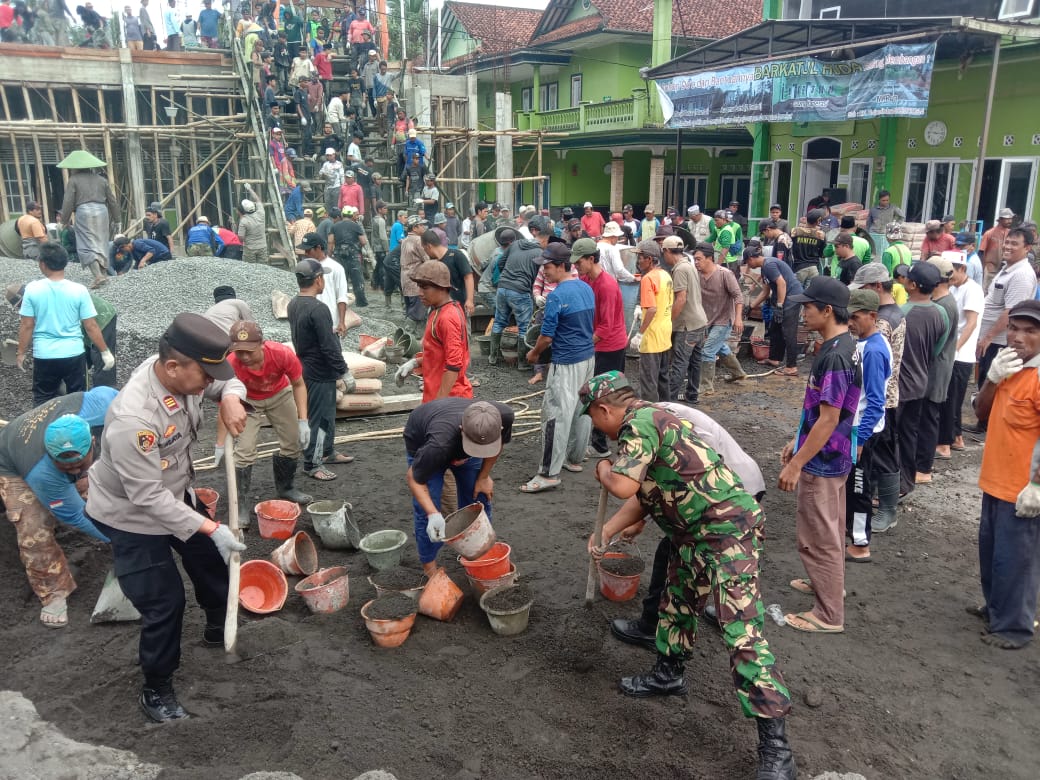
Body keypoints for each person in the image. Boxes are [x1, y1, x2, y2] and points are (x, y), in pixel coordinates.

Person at [580, 371, 795, 778]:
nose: (594, 425)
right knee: (676, 603)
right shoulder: (651, 421)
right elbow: (646, 495)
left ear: (604, 408)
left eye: (592, 416)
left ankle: (777, 747)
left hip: (727, 533)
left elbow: (623, 486)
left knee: (741, 631)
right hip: (692, 533)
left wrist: (604, 470)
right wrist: (606, 532)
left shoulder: (639, 422)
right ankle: (668, 675)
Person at [87, 314, 247, 722]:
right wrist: (211, 526)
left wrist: (231, 395)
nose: (209, 383)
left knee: (211, 562)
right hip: (131, 515)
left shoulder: (184, 373)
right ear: (173, 367)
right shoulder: (133, 421)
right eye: (205, 376)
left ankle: (217, 630)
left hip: (174, 494)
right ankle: (156, 689)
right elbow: (146, 496)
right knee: (165, 602)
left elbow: (226, 379)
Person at [776, 276, 861, 636]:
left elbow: (828, 418)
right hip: (832, 451)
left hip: (824, 458)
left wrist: (798, 462)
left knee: (818, 534)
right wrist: (797, 440)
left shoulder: (837, 355)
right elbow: (820, 411)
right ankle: (827, 583)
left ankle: (828, 614)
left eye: (809, 306)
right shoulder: (839, 344)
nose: (803, 311)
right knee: (830, 528)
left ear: (828, 310)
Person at [0, 388, 117, 627]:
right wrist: (118, 539)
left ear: (92, 442)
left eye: (79, 464)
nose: (74, 470)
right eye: (66, 467)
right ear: (52, 458)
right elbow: (75, 515)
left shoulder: (107, 404)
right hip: (11, 463)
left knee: (98, 485)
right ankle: (53, 593)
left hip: (45, 448)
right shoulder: (42, 471)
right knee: (34, 527)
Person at [968, 300, 1040, 649]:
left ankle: (1014, 627)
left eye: (1030, 331)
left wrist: (1037, 485)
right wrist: (992, 379)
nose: (1018, 337)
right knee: (993, 552)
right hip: (994, 480)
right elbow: (980, 412)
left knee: (1017, 559)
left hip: (1022, 488)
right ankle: (996, 607)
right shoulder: (1006, 366)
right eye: (1014, 328)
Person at [217, 319, 312, 523]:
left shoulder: (282, 354)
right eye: (239, 351)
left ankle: (286, 487)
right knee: (244, 450)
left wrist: (303, 420)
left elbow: (299, 384)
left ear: (262, 344)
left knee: (292, 441)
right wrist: (219, 444)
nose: (244, 356)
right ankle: (241, 505)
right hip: (247, 400)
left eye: (249, 351)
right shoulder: (231, 365)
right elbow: (225, 406)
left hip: (279, 394)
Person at [405, 400, 512, 576]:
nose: (476, 453)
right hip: (424, 440)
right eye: (474, 448)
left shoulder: (504, 416)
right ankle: (430, 570)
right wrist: (433, 514)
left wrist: (484, 477)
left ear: (499, 430)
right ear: (462, 429)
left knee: (479, 497)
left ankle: (478, 556)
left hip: (456, 437)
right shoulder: (438, 444)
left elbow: (498, 445)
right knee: (427, 509)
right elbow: (414, 478)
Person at [521, 244, 595, 493]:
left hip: (566, 362)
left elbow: (546, 337)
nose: (544, 272)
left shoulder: (556, 296)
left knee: (555, 415)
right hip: (587, 358)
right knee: (581, 409)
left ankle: (548, 473)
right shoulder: (585, 287)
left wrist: (533, 353)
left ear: (562, 266)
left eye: (548, 267)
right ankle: (573, 459)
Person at [16, 242, 114, 406]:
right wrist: (105, 351)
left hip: (44, 354)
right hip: (73, 353)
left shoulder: (32, 289)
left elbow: (27, 325)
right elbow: (91, 326)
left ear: (43, 264)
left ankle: (41, 430)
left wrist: (21, 352)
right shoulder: (79, 290)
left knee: (43, 399)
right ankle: (76, 430)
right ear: (65, 263)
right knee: (78, 400)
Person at [287, 258, 354, 481]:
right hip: (319, 371)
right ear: (317, 279)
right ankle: (312, 463)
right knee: (318, 418)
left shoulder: (294, 303)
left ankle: (327, 452)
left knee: (326, 415)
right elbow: (329, 345)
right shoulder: (319, 308)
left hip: (306, 367)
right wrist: (343, 371)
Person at [844, 290, 892, 563]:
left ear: (872, 316)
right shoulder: (869, 342)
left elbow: (876, 401)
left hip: (864, 431)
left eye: (855, 317)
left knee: (861, 489)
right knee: (853, 487)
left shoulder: (873, 350)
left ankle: (861, 544)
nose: (850, 322)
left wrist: (860, 439)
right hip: (859, 428)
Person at [895, 262, 949, 496]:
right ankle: (907, 482)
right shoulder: (941, 313)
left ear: (913, 285)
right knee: (909, 435)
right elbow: (937, 350)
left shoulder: (901, 314)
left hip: (898, 387)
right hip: (921, 382)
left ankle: (889, 486)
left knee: (890, 437)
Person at [572, 238, 628, 457]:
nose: (576, 266)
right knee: (597, 393)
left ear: (591, 259)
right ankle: (598, 439)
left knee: (603, 395)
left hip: (610, 346)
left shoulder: (606, 285)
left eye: (579, 262)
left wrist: (584, 347)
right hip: (598, 343)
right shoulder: (587, 280)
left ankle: (600, 445)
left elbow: (606, 326)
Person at [975, 228, 1038, 399]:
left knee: (993, 384)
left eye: (1014, 244)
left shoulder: (1021, 275)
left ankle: (987, 423)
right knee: (984, 381)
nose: (1008, 247)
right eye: (1007, 242)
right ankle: (984, 423)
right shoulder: (1007, 269)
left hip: (999, 343)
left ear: (1027, 248)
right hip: (991, 341)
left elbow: (1011, 311)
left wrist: (988, 338)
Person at [397, 260, 471, 403]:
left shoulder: (448, 317)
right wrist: (415, 363)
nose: (420, 293)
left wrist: (438, 405)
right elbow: (438, 355)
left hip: (450, 399)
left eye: (425, 288)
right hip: (437, 394)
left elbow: (454, 365)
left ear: (442, 288)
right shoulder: (438, 310)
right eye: (419, 287)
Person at [692, 240, 746, 395]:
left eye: (699, 259)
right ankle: (738, 373)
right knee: (720, 346)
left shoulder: (725, 274)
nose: (696, 262)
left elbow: (738, 296)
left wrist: (738, 318)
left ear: (709, 258)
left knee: (708, 350)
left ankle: (706, 387)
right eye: (695, 259)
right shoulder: (696, 275)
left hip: (724, 319)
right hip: (706, 318)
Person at [659, 236, 709, 403]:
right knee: (695, 361)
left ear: (666, 251)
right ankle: (692, 395)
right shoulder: (689, 264)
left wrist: (669, 322)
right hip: (700, 320)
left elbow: (681, 298)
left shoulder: (680, 269)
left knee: (680, 362)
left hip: (687, 324)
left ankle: (669, 399)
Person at [58, 149, 117, 288]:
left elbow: (68, 202)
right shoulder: (102, 180)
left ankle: (98, 276)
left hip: (84, 212)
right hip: (102, 211)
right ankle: (103, 274)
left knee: (86, 245)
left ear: (75, 168)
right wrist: (117, 218)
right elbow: (112, 201)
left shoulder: (73, 180)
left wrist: (64, 220)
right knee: (101, 242)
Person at [745, 245, 803, 377]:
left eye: (747, 262)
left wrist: (780, 306)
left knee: (788, 332)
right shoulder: (764, 268)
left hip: (791, 297)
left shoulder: (769, 265)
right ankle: (774, 358)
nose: (748, 265)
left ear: (751, 258)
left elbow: (781, 283)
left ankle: (791, 367)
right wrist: (751, 306)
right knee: (775, 328)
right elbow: (765, 291)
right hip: (784, 298)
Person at [489, 227, 542, 369]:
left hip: (502, 288)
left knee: (499, 321)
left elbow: (500, 263)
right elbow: (540, 277)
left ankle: (493, 357)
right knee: (524, 327)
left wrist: (508, 275)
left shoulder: (515, 245)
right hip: (520, 291)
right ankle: (522, 363)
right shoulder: (539, 252)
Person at [630, 239, 672, 401]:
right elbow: (660, 304)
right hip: (664, 333)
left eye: (640, 257)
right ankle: (668, 412)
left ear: (649, 259)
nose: (638, 261)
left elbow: (653, 309)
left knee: (649, 382)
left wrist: (640, 334)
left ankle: (651, 417)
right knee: (662, 379)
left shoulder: (648, 278)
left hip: (652, 336)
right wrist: (642, 309)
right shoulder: (665, 275)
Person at [328, 205, 368, 308]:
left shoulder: (335, 226)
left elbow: (330, 242)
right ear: (352, 216)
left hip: (339, 255)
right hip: (353, 255)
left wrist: (329, 255)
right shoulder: (356, 226)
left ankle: (342, 300)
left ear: (342, 214)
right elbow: (363, 241)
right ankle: (361, 302)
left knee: (341, 278)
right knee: (357, 279)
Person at [980, 208, 1014, 288]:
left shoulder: (1011, 233)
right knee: (987, 291)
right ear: (1000, 219)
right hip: (991, 269)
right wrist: (982, 268)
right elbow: (981, 252)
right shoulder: (989, 233)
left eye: (1011, 219)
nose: (1010, 221)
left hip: (1004, 269)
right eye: (1007, 219)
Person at [237, 187, 267, 265]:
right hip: (262, 246)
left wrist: (240, 217)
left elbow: (241, 238)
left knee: (249, 269)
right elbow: (258, 200)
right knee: (264, 268)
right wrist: (250, 189)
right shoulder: (261, 213)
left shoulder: (244, 221)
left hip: (250, 248)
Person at [318, 148, 345, 215]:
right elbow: (320, 173)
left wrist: (343, 186)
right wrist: (323, 174)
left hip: (337, 187)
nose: (329, 157)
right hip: (327, 187)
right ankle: (329, 219)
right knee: (328, 205)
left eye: (330, 155)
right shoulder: (325, 164)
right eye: (327, 155)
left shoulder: (339, 164)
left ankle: (337, 219)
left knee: (336, 205)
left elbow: (342, 176)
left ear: (334, 155)